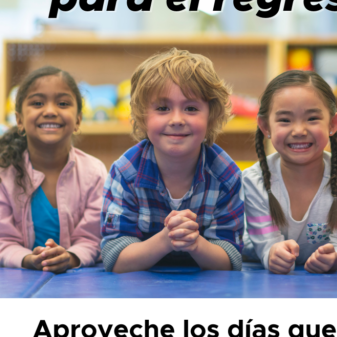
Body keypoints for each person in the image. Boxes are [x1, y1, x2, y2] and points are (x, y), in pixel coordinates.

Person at [101, 48, 243, 273]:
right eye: (163, 108)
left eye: (191, 108)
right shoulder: (125, 171)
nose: (177, 119)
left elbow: (229, 259)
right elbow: (115, 258)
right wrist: (166, 240)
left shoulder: (226, 174)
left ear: (211, 115)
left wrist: (195, 244)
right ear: (142, 115)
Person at [0, 66, 106, 271]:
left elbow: (92, 239)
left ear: (78, 120)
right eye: (37, 103)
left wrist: (70, 257)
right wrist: (28, 259)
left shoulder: (95, 172)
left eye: (62, 103)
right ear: (19, 120)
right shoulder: (1, 174)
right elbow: (3, 241)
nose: (50, 111)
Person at [243, 70, 337, 274]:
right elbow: (267, 246)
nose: (298, 130)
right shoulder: (254, 181)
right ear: (265, 126)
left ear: (333, 124)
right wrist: (274, 254)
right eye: (285, 120)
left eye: (312, 118)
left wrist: (335, 259)